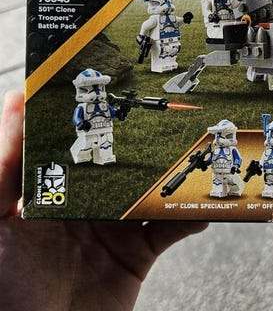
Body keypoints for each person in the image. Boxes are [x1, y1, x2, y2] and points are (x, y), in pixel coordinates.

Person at [0, 90, 208, 310]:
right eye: (91, 90)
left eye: (99, 89)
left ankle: (102, 161)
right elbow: (78, 119)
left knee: (106, 152)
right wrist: (82, 125)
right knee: (82, 152)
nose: (96, 93)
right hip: (87, 136)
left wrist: (122, 112)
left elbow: (115, 115)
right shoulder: (83, 108)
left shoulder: (104, 106)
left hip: (104, 135)